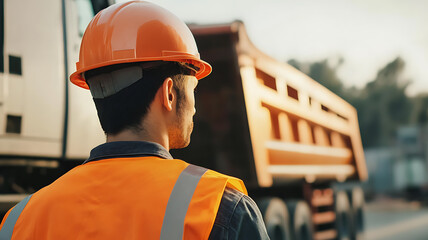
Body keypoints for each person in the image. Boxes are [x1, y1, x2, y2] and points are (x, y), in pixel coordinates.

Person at [0, 1, 269, 239]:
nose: (196, 108)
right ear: (169, 94)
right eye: (193, 89)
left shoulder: (18, 220)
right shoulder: (221, 208)